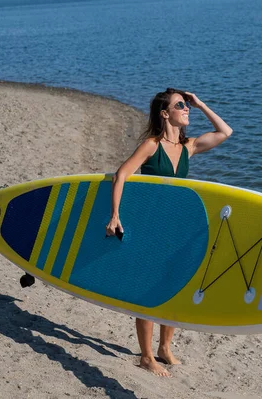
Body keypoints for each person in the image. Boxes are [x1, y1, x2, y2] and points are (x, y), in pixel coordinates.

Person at [105, 88, 233, 377]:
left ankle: (165, 348)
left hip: (176, 227)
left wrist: (200, 103)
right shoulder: (152, 145)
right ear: (165, 114)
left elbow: (225, 131)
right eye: (181, 105)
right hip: (150, 227)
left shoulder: (188, 147)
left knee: (174, 287)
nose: (186, 108)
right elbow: (121, 174)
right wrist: (115, 214)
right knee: (148, 290)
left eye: (187, 105)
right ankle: (147, 356)